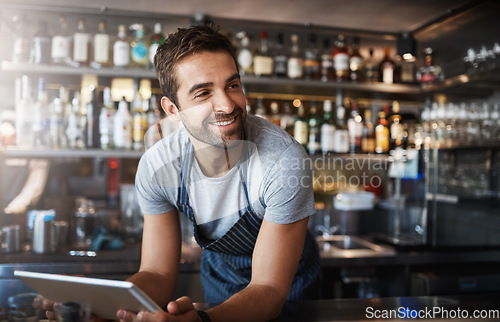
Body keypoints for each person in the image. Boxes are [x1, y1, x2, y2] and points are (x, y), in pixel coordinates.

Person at [44, 24, 321, 322]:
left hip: (287, 286)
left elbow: (268, 288)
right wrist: (100, 301)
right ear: (172, 109)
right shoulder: (159, 168)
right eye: (203, 93)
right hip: (220, 276)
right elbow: (158, 273)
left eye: (232, 85)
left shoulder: (283, 161)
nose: (227, 104)